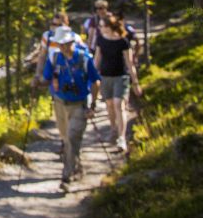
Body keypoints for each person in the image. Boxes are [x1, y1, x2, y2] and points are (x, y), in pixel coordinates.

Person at [43, 27, 102, 190]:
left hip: (79, 105)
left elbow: (96, 81)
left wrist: (93, 105)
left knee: (72, 137)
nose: (62, 47)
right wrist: (37, 82)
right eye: (60, 44)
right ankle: (77, 167)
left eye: (65, 44)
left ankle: (66, 176)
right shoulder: (55, 58)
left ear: (71, 42)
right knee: (66, 138)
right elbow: (46, 76)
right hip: (60, 103)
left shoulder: (84, 58)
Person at [94, 16, 142, 152]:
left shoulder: (123, 42)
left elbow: (129, 63)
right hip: (105, 77)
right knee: (109, 104)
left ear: (110, 26)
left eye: (103, 26)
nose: (100, 28)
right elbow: (97, 59)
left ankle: (122, 138)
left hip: (120, 77)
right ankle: (113, 128)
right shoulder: (101, 40)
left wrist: (135, 83)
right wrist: (91, 75)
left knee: (118, 104)